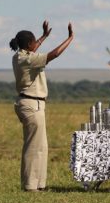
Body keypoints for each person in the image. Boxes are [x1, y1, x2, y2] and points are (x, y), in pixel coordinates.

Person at [9, 20, 74, 192]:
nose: (35, 44)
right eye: (34, 42)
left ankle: (39, 184)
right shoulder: (28, 59)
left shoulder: (20, 56)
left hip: (32, 104)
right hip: (32, 104)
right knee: (33, 147)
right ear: (29, 44)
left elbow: (34, 49)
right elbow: (54, 55)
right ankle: (30, 186)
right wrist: (70, 38)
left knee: (41, 146)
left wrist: (44, 36)